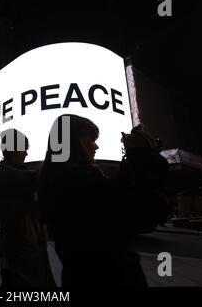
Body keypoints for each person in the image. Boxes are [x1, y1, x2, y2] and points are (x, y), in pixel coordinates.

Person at [39, 115, 169, 287]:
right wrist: (142, 155)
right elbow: (149, 209)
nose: (96, 145)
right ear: (71, 142)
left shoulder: (56, 181)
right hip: (111, 278)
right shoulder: (83, 182)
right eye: (90, 139)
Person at [0, 128, 56, 287]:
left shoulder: (15, 171)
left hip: (31, 247)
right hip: (22, 252)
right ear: (12, 149)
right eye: (23, 149)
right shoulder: (4, 173)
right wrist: (55, 150)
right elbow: (39, 176)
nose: (26, 154)